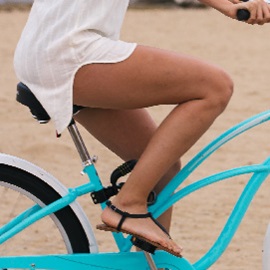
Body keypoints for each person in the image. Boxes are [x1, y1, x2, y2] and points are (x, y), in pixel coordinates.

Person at [14, 0, 270, 257]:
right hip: (70, 51)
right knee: (215, 86)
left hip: (58, 47)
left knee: (161, 170)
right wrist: (225, 5)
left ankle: (150, 261)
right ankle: (128, 204)